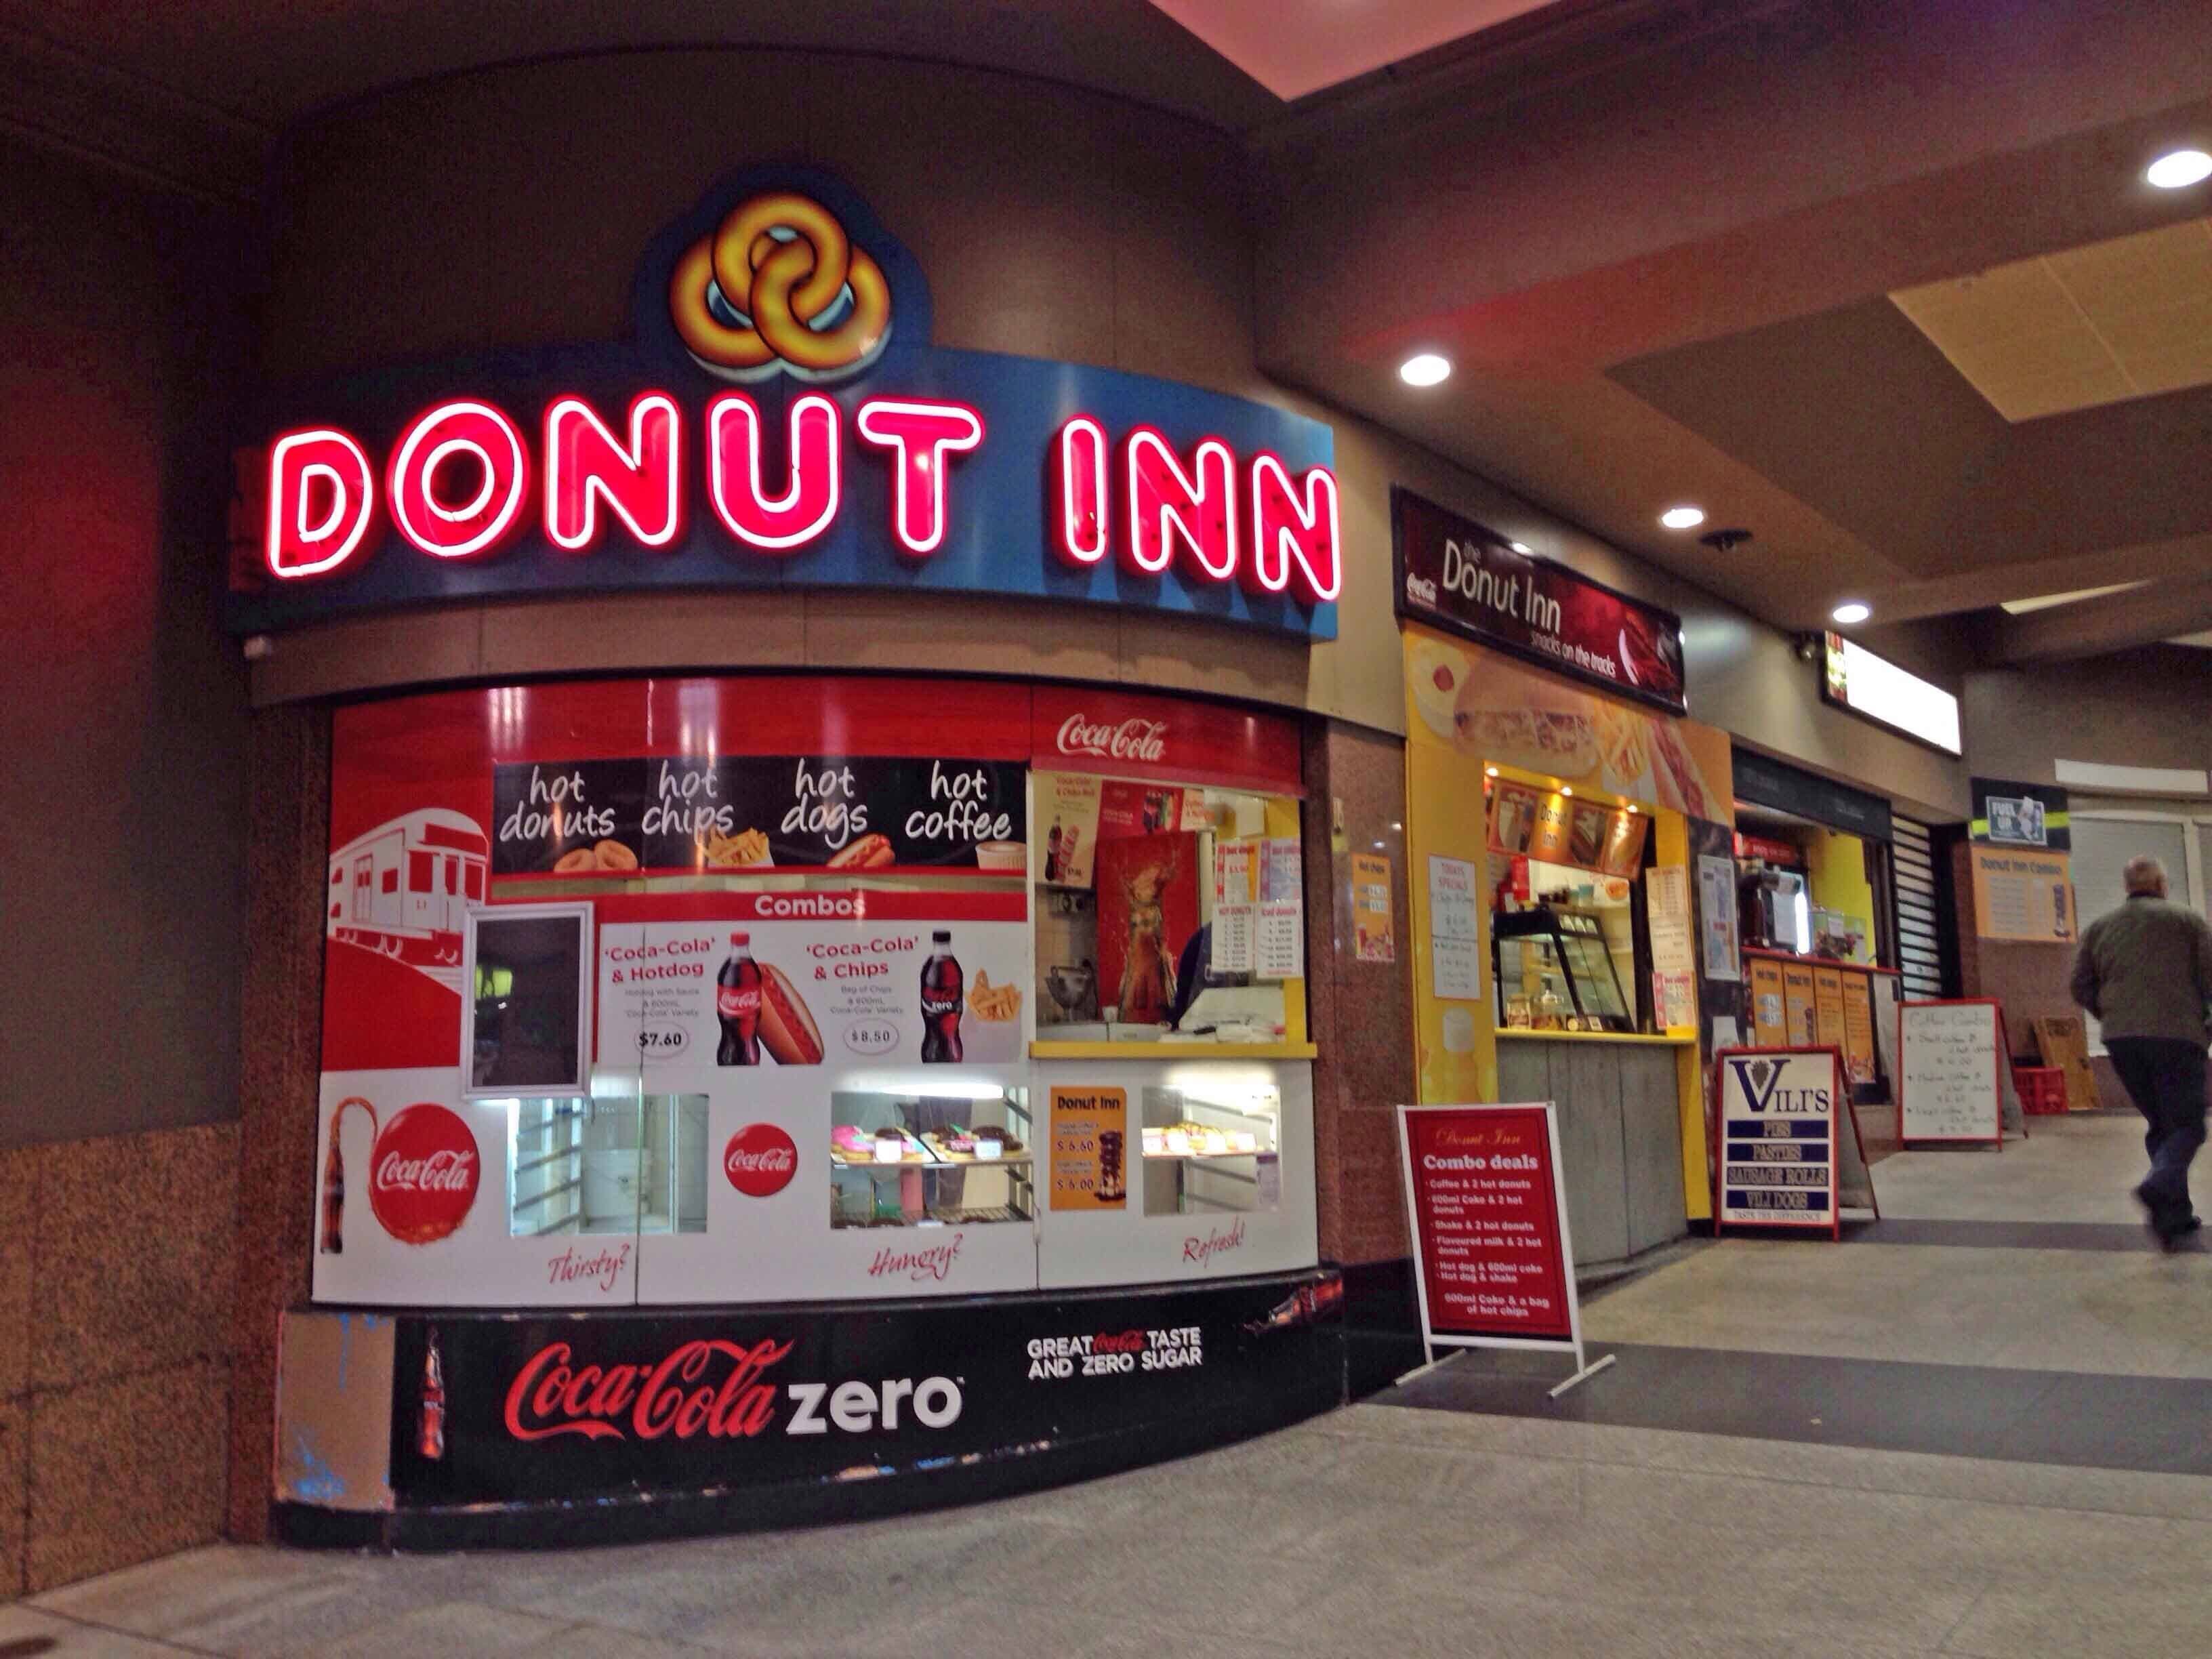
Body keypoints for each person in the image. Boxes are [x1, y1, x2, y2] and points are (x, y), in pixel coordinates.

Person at [2069, 855, 2212, 1248]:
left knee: (2162, 1124)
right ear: (2163, 885)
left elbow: (2079, 984)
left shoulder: (2100, 928)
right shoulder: (2188, 922)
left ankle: (2174, 1216)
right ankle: (2159, 1182)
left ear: (2127, 886)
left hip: (2122, 1041)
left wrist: (2112, 1016)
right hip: (2178, 1037)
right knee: (2188, 1126)